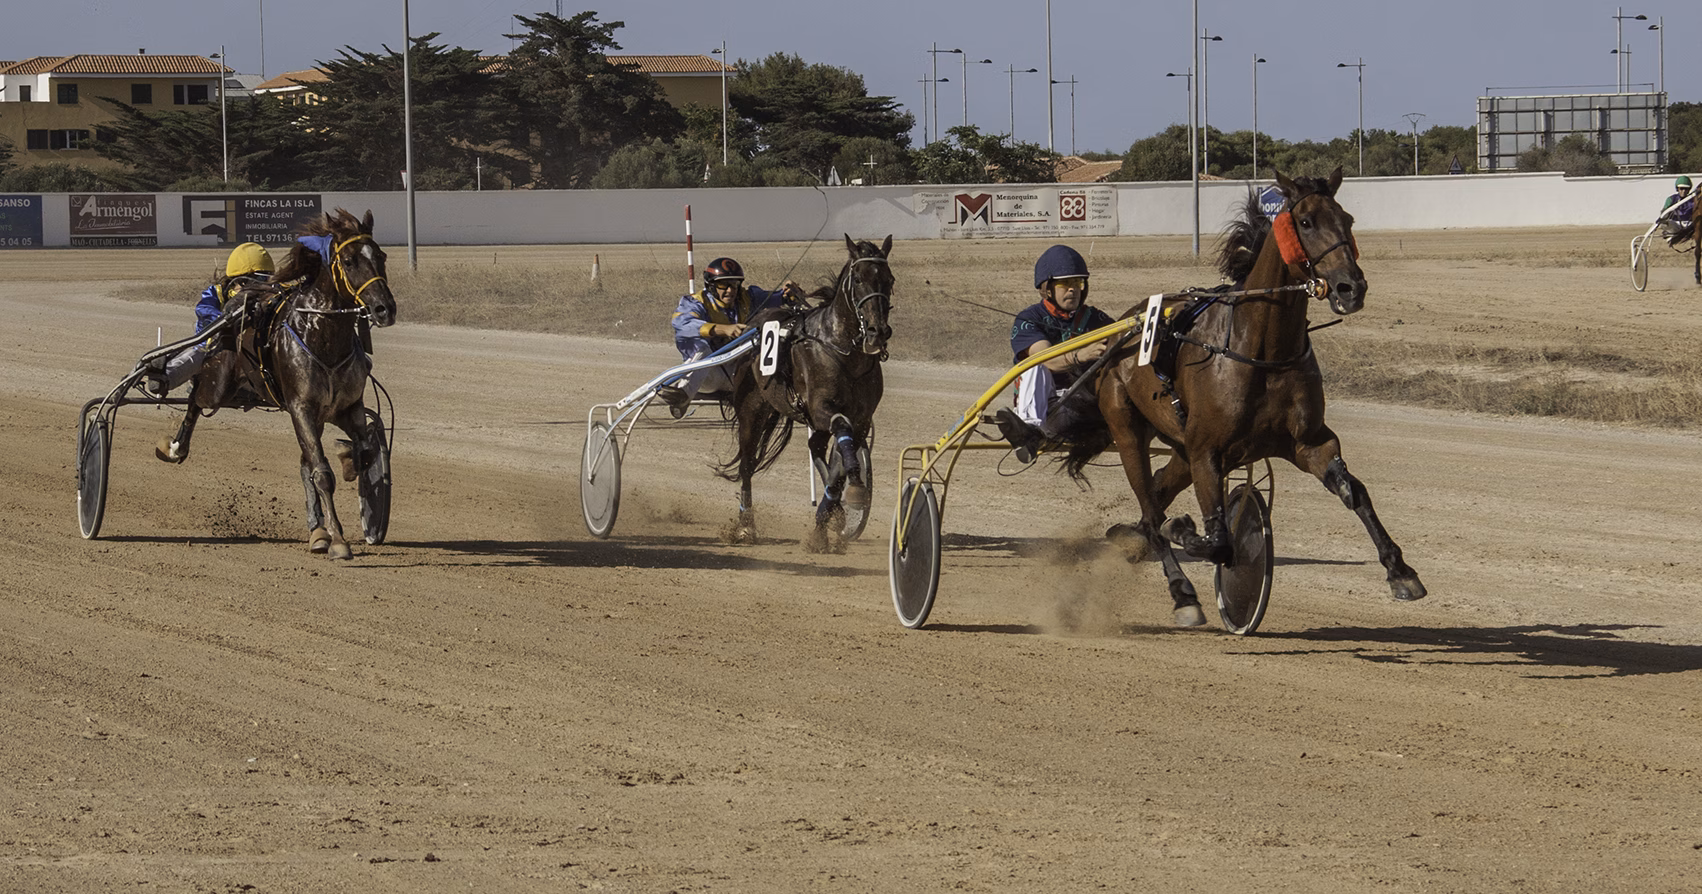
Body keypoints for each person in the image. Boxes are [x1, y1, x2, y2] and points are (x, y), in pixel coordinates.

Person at [994, 244, 1117, 463]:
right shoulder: (1029, 318)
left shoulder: (1096, 319)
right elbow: (1046, 359)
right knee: (1034, 364)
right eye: (1065, 283)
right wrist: (1081, 356)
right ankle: (1028, 432)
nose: (1073, 289)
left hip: (1082, 410)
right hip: (1046, 411)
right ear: (1047, 288)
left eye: (1078, 283)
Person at [657, 257, 804, 418]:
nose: (730, 290)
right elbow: (682, 324)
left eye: (734, 284)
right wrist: (723, 329)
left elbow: (777, 297)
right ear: (710, 285)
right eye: (723, 285)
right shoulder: (695, 303)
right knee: (703, 350)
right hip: (708, 375)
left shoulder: (747, 298)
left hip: (738, 374)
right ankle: (682, 396)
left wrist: (789, 294)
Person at [145, 242, 276, 394]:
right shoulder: (216, 293)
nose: (265, 285)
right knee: (197, 355)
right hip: (214, 348)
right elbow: (204, 309)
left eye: (267, 279)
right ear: (241, 280)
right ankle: (165, 379)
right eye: (259, 279)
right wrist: (225, 319)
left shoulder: (269, 296)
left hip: (250, 354)